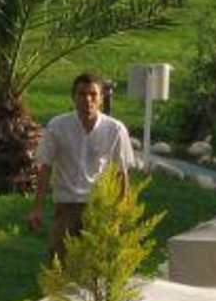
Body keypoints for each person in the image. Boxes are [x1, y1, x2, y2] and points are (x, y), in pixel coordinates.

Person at [28, 71, 136, 260]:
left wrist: (120, 213)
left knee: (95, 264)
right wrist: (37, 208)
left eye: (93, 94)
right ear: (73, 97)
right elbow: (45, 168)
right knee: (60, 263)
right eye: (82, 94)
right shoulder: (57, 126)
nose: (87, 100)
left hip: (98, 206)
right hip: (66, 206)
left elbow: (121, 173)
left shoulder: (115, 129)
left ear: (101, 98)